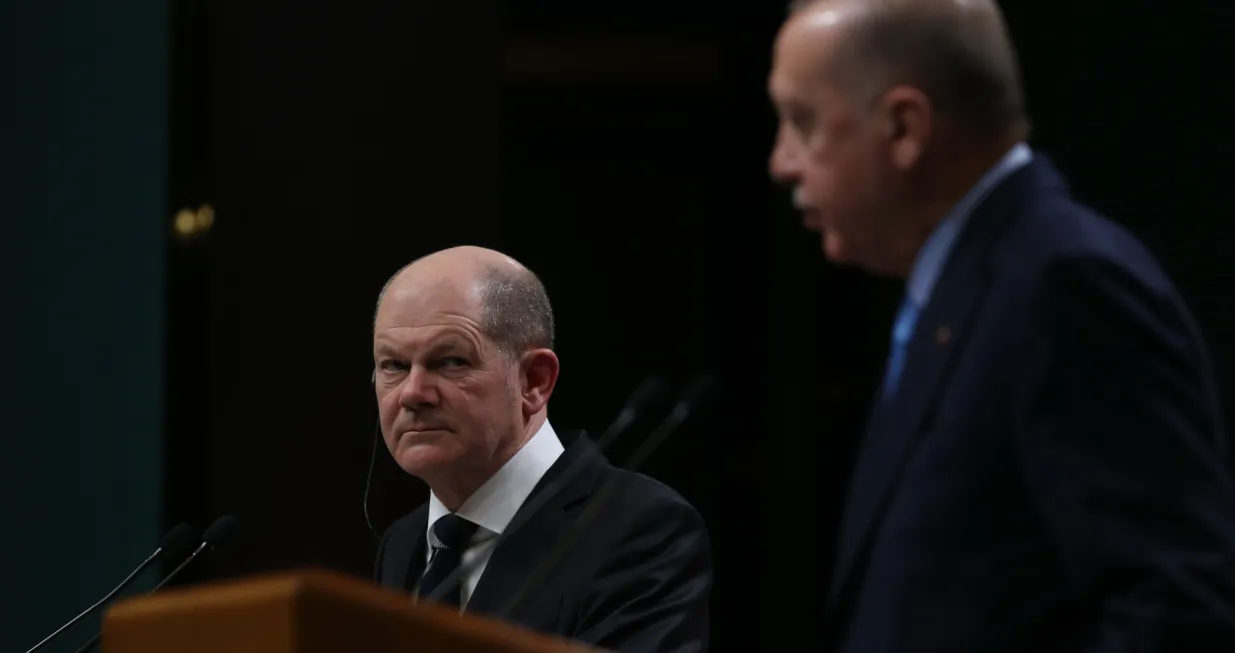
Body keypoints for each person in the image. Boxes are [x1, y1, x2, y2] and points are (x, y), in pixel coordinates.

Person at [768, 0, 1235, 651]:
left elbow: (1167, 606)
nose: (781, 163)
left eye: (801, 123)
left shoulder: (1064, 282)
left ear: (904, 127)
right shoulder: (953, 292)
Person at [370, 246, 711, 652]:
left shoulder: (642, 529)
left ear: (534, 380)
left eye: (450, 361)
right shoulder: (403, 544)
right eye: (394, 366)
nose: (413, 393)